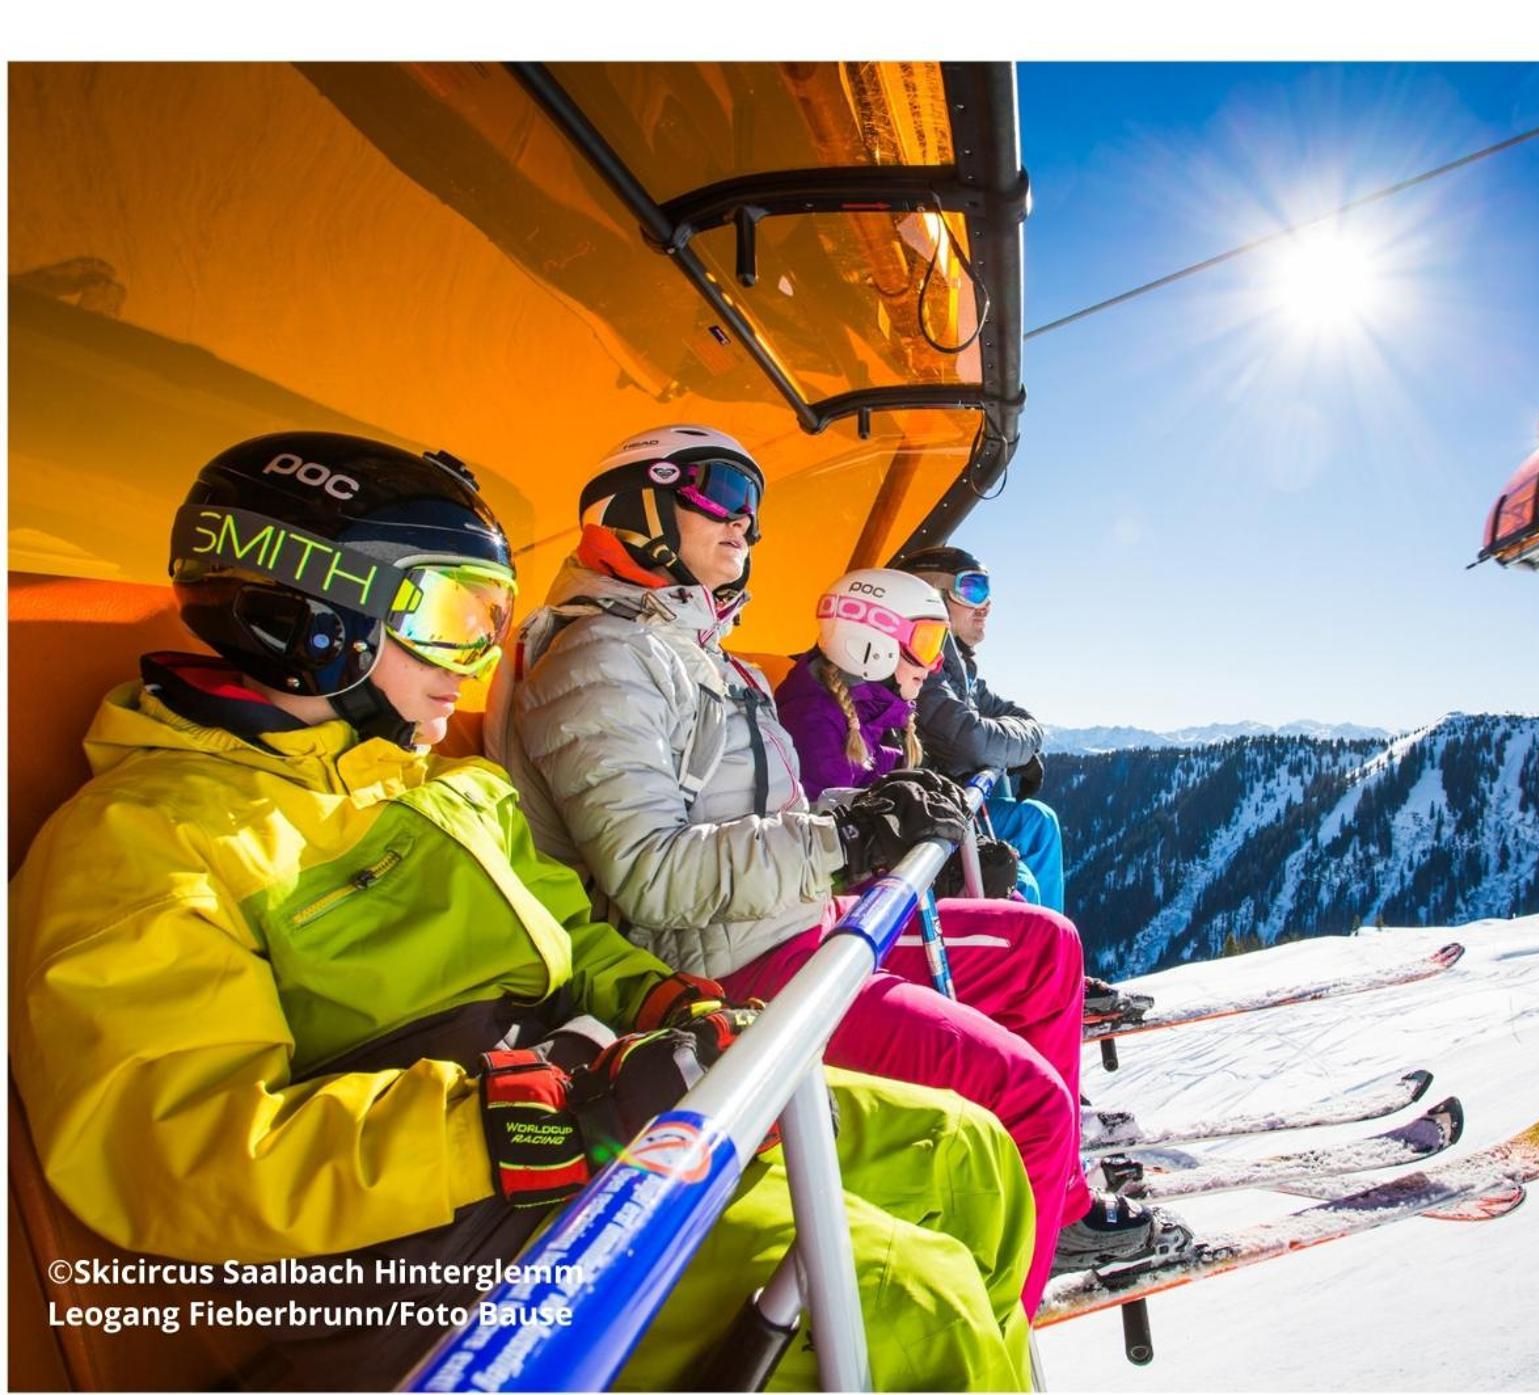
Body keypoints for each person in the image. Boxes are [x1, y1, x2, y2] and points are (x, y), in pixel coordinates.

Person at [9, 432, 1038, 1392]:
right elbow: (175, 1148)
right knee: (907, 1300)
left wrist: (666, 1004)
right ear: (309, 611)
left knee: (966, 1155)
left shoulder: (448, 790)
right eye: (456, 620)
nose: (476, 664)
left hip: (601, 1133)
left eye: (490, 627)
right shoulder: (146, 840)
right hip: (454, 1244)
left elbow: (584, 944)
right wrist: (508, 1120)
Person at [486, 426, 1181, 1309]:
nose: (748, 525)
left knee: (1041, 947)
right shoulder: (599, 660)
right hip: (733, 972)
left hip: (792, 927)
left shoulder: (687, 648)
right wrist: (848, 840)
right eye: (724, 494)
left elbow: (762, 812)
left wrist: (863, 819)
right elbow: (652, 877)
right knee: (1030, 1101)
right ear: (639, 502)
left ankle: (1047, 1199)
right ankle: (1008, 1312)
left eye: (755, 508)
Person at [773, 568, 1028, 901]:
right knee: (1043, 930)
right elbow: (828, 862)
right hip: (855, 920)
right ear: (870, 643)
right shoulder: (814, 726)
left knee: (1019, 903)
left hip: (884, 896)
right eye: (926, 643)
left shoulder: (871, 717)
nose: (935, 664)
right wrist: (944, 881)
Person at [893, 547, 1067, 915]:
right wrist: (1011, 747)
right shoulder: (921, 662)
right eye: (972, 590)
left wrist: (1019, 745)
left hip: (956, 801)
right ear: (932, 594)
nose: (986, 605)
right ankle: (1038, 954)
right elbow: (970, 741)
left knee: (1039, 822)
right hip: (930, 815)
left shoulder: (960, 667)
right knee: (1023, 882)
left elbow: (1019, 718)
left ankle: (1058, 963)